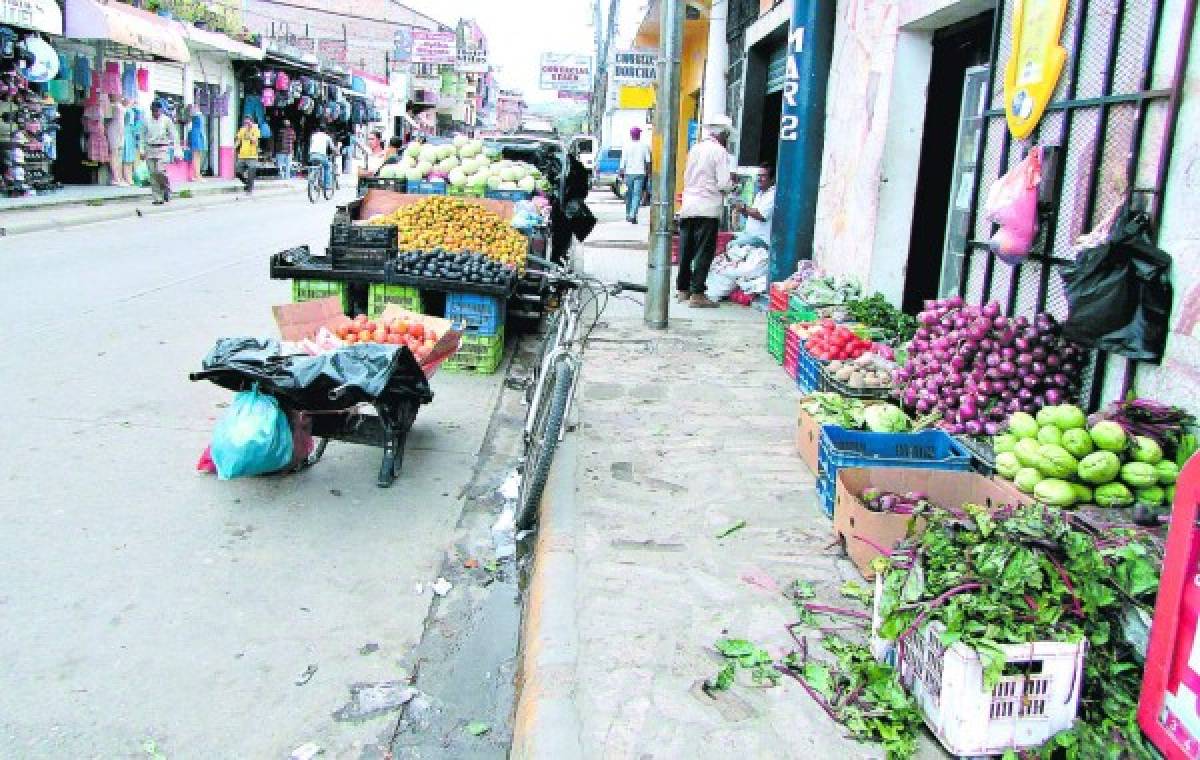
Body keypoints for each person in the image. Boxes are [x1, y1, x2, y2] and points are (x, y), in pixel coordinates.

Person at [677, 115, 735, 308]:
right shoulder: (719, 152)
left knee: (686, 250)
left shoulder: (695, 148)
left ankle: (683, 289)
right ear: (723, 134)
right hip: (707, 207)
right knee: (704, 251)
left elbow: (687, 176)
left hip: (688, 205)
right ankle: (698, 293)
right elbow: (724, 184)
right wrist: (733, 186)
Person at [143, 100, 177, 205]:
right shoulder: (146, 121)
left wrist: (174, 147)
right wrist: (141, 150)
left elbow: (173, 135)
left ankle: (166, 187)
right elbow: (142, 136)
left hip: (162, 148)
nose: (155, 113)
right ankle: (158, 198)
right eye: (153, 111)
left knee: (160, 171)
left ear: (161, 110)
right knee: (153, 174)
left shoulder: (166, 120)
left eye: (157, 111)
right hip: (150, 148)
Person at [733, 164, 776, 247]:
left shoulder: (773, 194)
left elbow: (761, 215)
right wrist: (742, 210)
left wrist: (744, 207)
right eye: (758, 176)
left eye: (763, 176)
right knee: (728, 238)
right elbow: (751, 215)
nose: (759, 179)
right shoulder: (759, 194)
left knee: (732, 245)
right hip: (749, 235)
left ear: (772, 179)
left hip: (761, 239)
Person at [617, 126, 651, 224]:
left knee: (629, 195)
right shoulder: (644, 146)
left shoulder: (626, 146)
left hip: (628, 174)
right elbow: (648, 161)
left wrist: (621, 174)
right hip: (640, 174)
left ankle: (628, 214)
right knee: (637, 195)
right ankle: (633, 215)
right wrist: (649, 174)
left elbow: (623, 162)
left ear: (631, 135)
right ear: (639, 135)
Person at [234, 116, 260, 194]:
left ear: (252, 122)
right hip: (242, 155)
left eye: (248, 123)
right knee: (238, 171)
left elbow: (255, 141)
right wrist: (234, 148)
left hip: (252, 155)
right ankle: (246, 182)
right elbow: (238, 140)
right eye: (245, 123)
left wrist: (250, 135)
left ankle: (249, 190)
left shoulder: (256, 129)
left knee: (251, 173)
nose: (247, 124)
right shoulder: (242, 130)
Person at [308, 125, 334, 191]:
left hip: (312, 154)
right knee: (327, 167)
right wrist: (337, 152)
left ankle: (313, 177)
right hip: (321, 155)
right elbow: (332, 148)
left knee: (315, 166)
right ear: (326, 131)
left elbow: (311, 144)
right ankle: (327, 185)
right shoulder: (327, 137)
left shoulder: (313, 135)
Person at [187, 104, 207, 182]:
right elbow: (190, 115)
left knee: (198, 156)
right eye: (195, 106)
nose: (196, 107)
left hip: (199, 135)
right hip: (196, 135)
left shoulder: (199, 114)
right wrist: (190, 108)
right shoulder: (195, 115)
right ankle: (197, 175)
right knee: (195, 156)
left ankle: (197, 174)